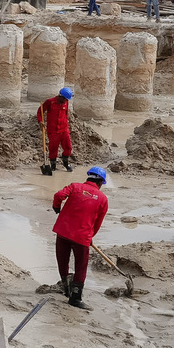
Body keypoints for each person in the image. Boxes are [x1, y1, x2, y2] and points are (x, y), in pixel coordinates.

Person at [49, 165, 110, 309]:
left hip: (63, 232)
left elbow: (58, 195)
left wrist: (56, 207)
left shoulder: (75, 187)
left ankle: (66, 288)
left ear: (88, 177)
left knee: (63, 262)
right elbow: (97, 223)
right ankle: (75, 297)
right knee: (81, 267)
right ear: (100, 183)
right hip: (82, 237)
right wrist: (90, 236)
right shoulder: (102, 199)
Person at [35, 85, 75, 174]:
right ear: (61, 96)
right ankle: (53, 166)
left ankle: (65, 162)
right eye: (65, 99)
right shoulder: (50, 102)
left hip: (64, 129)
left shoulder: (66, 102)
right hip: (53, 130)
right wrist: (40, 121)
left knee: (68, 147)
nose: (66, 101)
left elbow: (66, 114)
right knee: (53, 148)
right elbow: (40, 112)